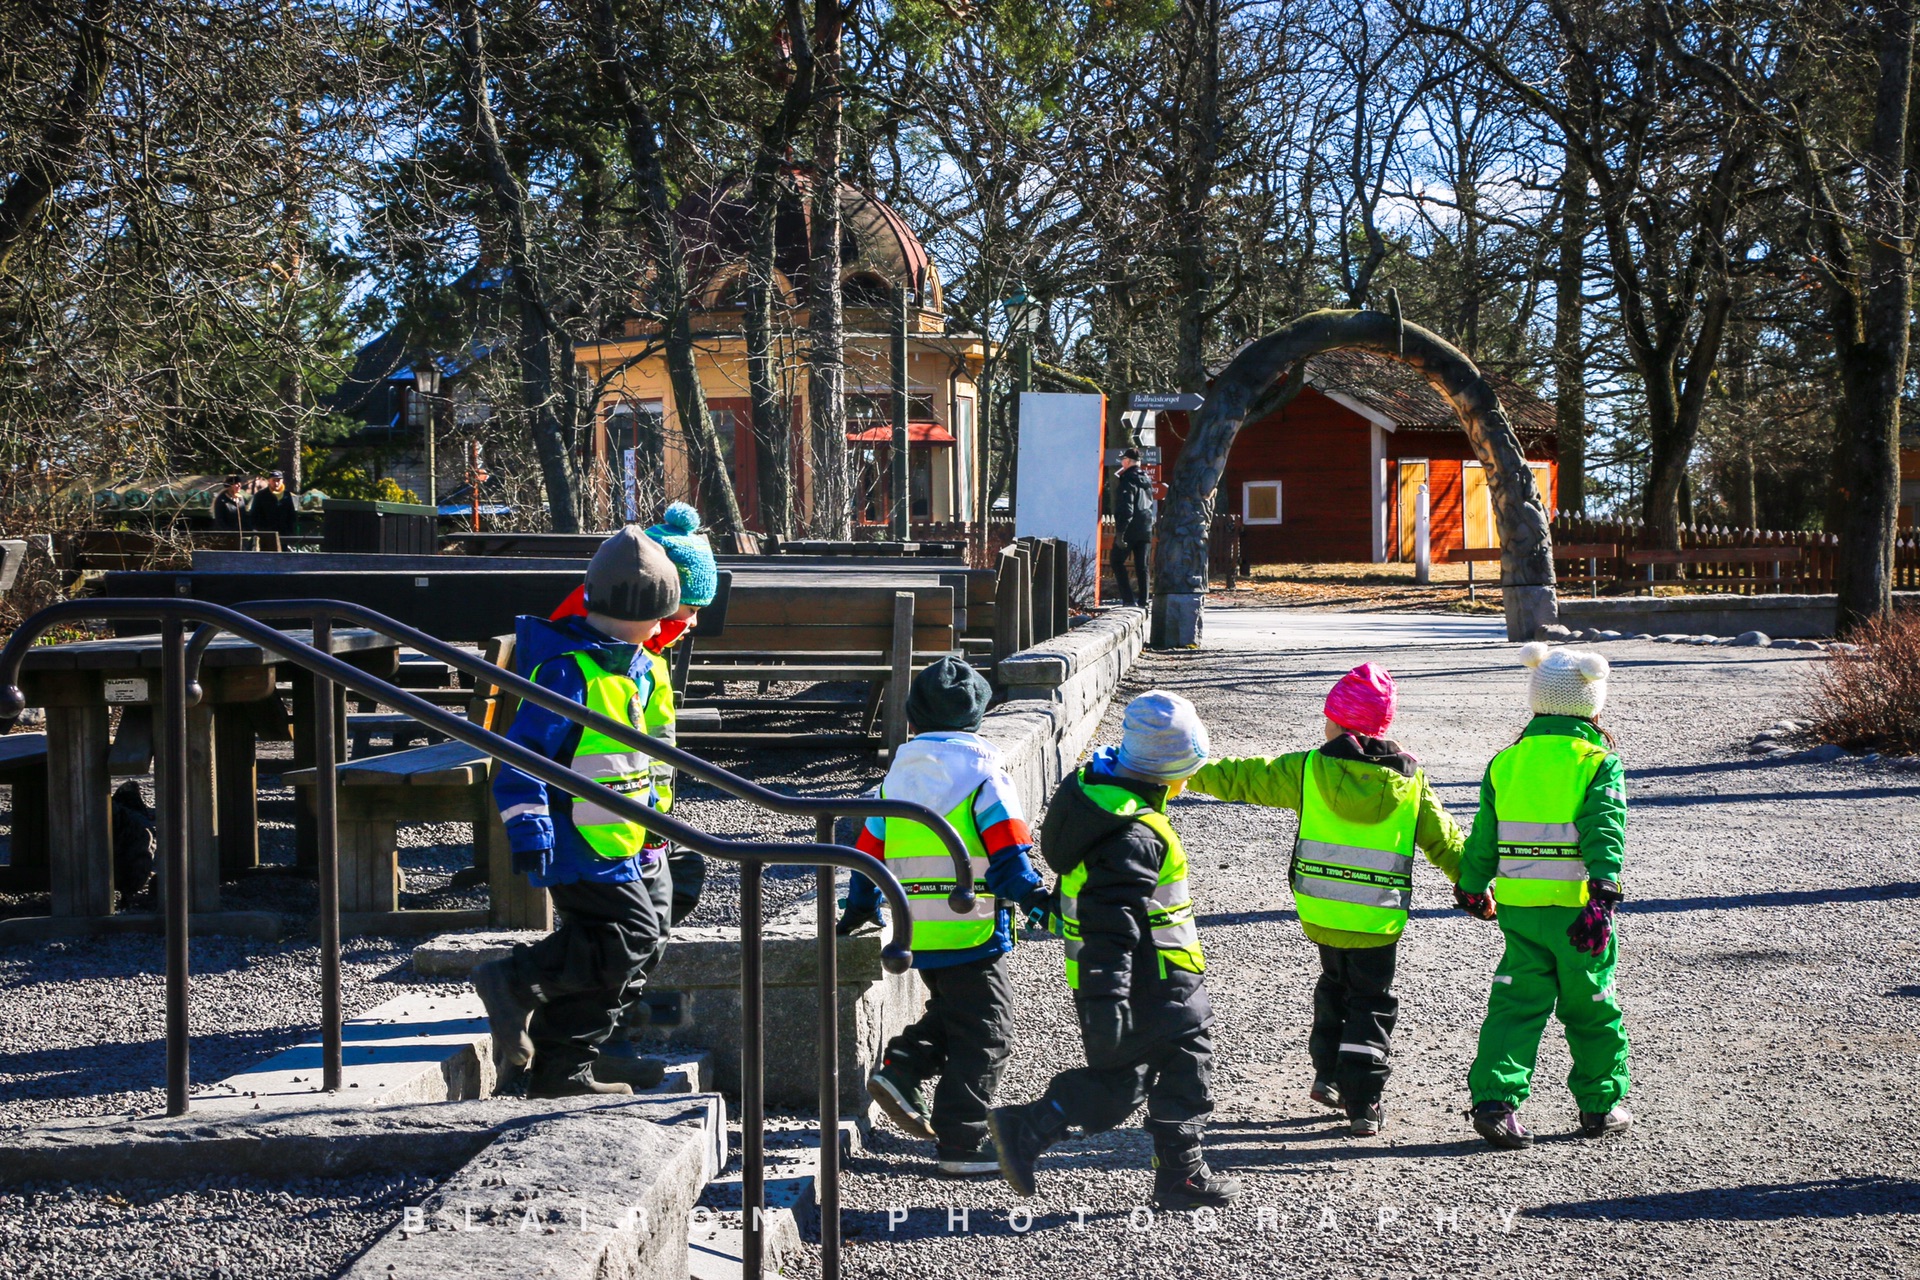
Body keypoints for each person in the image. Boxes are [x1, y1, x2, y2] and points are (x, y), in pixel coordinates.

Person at [1182, 662, 1464, 1136]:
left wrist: (1181, 770)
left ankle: (1328, 1074)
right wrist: (1474, 886)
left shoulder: (1308, 768)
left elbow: (1243, 778)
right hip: (1376, 917)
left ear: (1336, 722)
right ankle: (1364, 1102)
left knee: (1334, 984)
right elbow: (1445, 840)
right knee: (1371, 1000)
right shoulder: (1411, 780)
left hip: (1321, 907)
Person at [989, 691, 1240, 1210]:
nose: (1190, 778)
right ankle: (1179, 1173)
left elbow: (1087, 893)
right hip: (1154, 980)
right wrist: (1109, 1002)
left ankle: (1031, 1127)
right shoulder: (1135, 835)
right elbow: (1111, 923)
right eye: (1188, 767)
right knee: (1183, 1069)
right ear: (1168, 769)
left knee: (1126, 1080)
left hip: (1125, 981)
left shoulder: (1096, 798)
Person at [470, 526, 682, 1099]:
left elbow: (652, 749)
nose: (668, 627)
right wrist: (530, 828)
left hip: (628, 834)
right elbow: (522, 758)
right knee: (627, 936)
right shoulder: (567, 670)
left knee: (640, 939)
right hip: (575, 837)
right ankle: (513, 979)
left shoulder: (641, 663)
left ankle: (565, 1069)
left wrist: (660, 825)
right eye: (662, 615)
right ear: (640, 614)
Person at [838, 656, 1046, 1176]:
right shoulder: (985, 776)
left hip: (918, 928)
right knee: (989, 1032)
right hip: (971, 922)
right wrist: (1036, 898)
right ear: (978, 717)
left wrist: (857, 909)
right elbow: (1008, 852)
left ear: (912, 719)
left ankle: (904, 1067)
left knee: (959, 1012)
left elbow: (868, 855)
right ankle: (962, 1141)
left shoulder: (895, 782)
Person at [1459, 642, 1632, 1149]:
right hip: (1580, 910)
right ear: (1592, 703)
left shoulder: (1507, 761)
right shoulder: (1597, 761)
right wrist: (1603, 887)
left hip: (1520, 907)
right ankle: (1600, 1105)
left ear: (1536, 699)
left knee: (1516, 1005)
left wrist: (1471, 886)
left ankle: (1496, 1101)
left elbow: (1484, 835)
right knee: (1592, 1005)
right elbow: (1605, 827)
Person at [1109, 447, 1155, 608]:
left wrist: (1121, 531)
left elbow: (1126, 507)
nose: (1122, 462)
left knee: (1116, 560)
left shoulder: (1127, 479)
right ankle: (1144, 600)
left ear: (1128, 461)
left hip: (1130, 528)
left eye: (1123, 459)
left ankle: (1128, 599)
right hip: (1146, 527)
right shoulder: (1147, 480)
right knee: (1142, 566)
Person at [248, 470, 297, 537]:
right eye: (274, 480)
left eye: (278, 481)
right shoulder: (260, 495)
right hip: (266, 534)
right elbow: (254, 516)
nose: (276, 483)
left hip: (284, 534)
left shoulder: (287, 495)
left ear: (282, 481)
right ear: (269, 481)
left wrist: (290, 532)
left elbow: (291, 514)